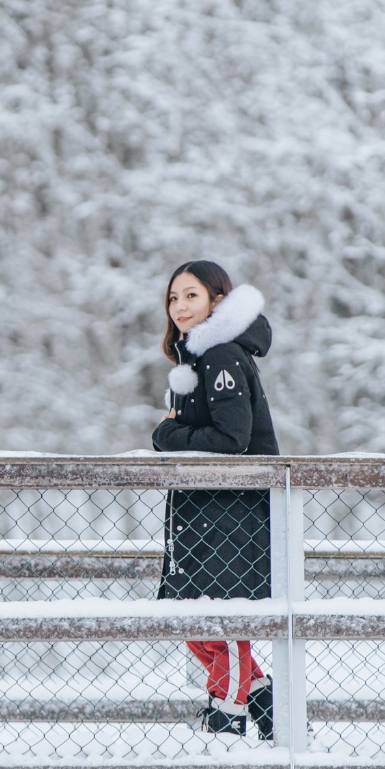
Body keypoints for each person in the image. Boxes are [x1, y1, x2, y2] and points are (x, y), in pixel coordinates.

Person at [150, 260, 280, 740]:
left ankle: (225, 720)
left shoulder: (222, 355)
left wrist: (167, 433)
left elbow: (233, 439)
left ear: (217, 301)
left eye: (191, 296)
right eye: (173, 298)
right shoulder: (198, 360)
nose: (179, 307)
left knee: (218, 619)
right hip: (203, 510)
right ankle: (265, 698)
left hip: (231, 513)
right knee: (192, 618)